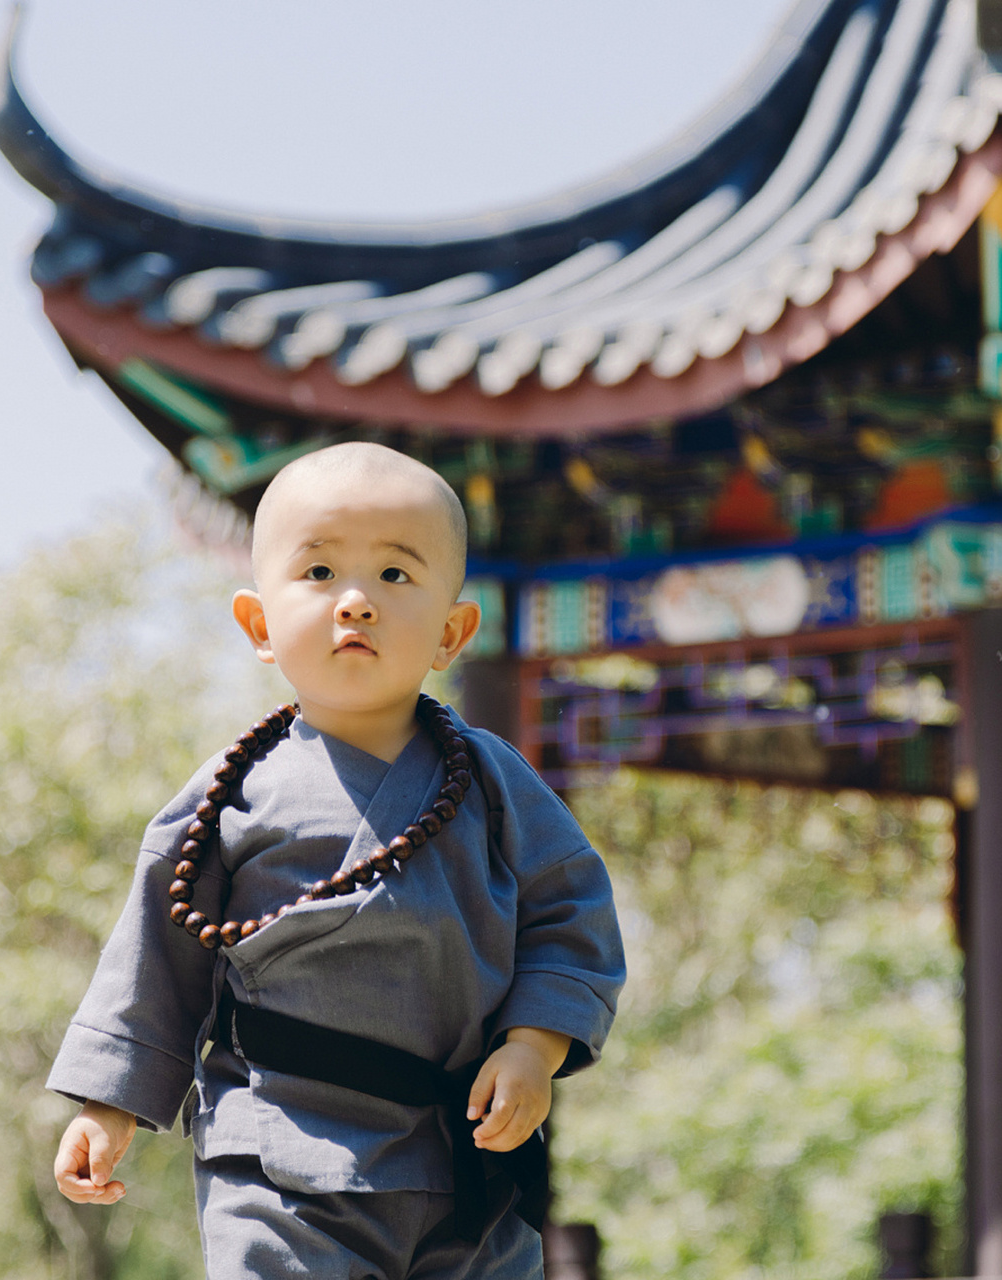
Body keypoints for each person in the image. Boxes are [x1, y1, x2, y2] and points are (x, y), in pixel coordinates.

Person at [47, 442, 627, 1277]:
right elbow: (156, 956)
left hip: (462, 1153)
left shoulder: (495, 783)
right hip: (280, 1154)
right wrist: (110, 1108)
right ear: (258, 625)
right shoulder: (228, 794)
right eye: (319, 573)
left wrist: (533, 1049)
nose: (354, 601)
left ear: (452, 632)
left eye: (394, 576)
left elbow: (569, 914)